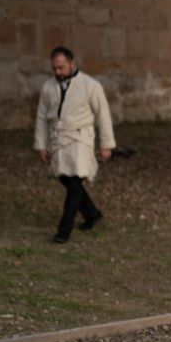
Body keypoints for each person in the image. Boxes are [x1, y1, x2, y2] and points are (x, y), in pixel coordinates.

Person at [33, 47, 116, 244]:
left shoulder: (90, 85)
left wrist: (106, 145)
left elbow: (103, 115)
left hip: (80, 139)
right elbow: (41, 116)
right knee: (67, 179)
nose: (58, 72)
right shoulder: (48, 87)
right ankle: (92, 214)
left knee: (76, 183)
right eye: (54, 68)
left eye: (61, 68)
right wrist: (41, 145)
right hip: (58, 139)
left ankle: (64, 230)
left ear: (72, 63)